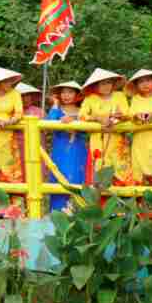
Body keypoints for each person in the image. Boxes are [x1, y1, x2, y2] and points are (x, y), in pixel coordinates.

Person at [79, 68, 132, 185]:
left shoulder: (120, 96)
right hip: (98, 139)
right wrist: (98, 117)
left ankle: (124, 198)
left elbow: (127, 114)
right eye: (102, 83)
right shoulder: (90, 99)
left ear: (113, 84)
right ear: (96, 85)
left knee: (121, 168)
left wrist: (119, 117)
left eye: (109, 82)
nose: (106, 86)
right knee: (100, 167)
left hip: (118, 139)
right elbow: (82, 115)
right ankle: (101, 200)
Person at [46, 81, 89, 210]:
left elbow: (87, 127)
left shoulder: (83, 111)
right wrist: (55, 105)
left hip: (78, 151)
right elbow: (48, 124)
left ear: (77, 94)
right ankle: (57, 216)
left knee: (78, 179)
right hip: (60, 151)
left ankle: (80, 216)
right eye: (63, 92)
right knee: (59, 178)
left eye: (70, 92)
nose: (66, 95)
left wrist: (75, 121)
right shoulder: (57, 110)